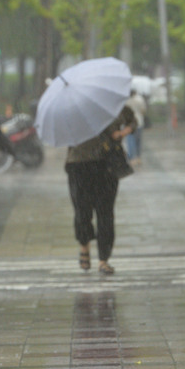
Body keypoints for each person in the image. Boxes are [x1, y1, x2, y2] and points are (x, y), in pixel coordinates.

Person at [65, 105, 136, 275]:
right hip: (78, 164)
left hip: (106, 164)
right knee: (82, 210)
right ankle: (84, 247)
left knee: (105, 212)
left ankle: (104, 259)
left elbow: (133, 120)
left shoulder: (111, 104)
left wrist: (122, 132)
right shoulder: (72, 108)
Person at [124, 89, 147, 166]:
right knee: (138, 141)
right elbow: (143, 110)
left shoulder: (125, 100)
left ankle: (132, 158)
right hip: (139, 122)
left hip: (129, 124)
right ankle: (138, 157)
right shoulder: (139, 99)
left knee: (131, 141)